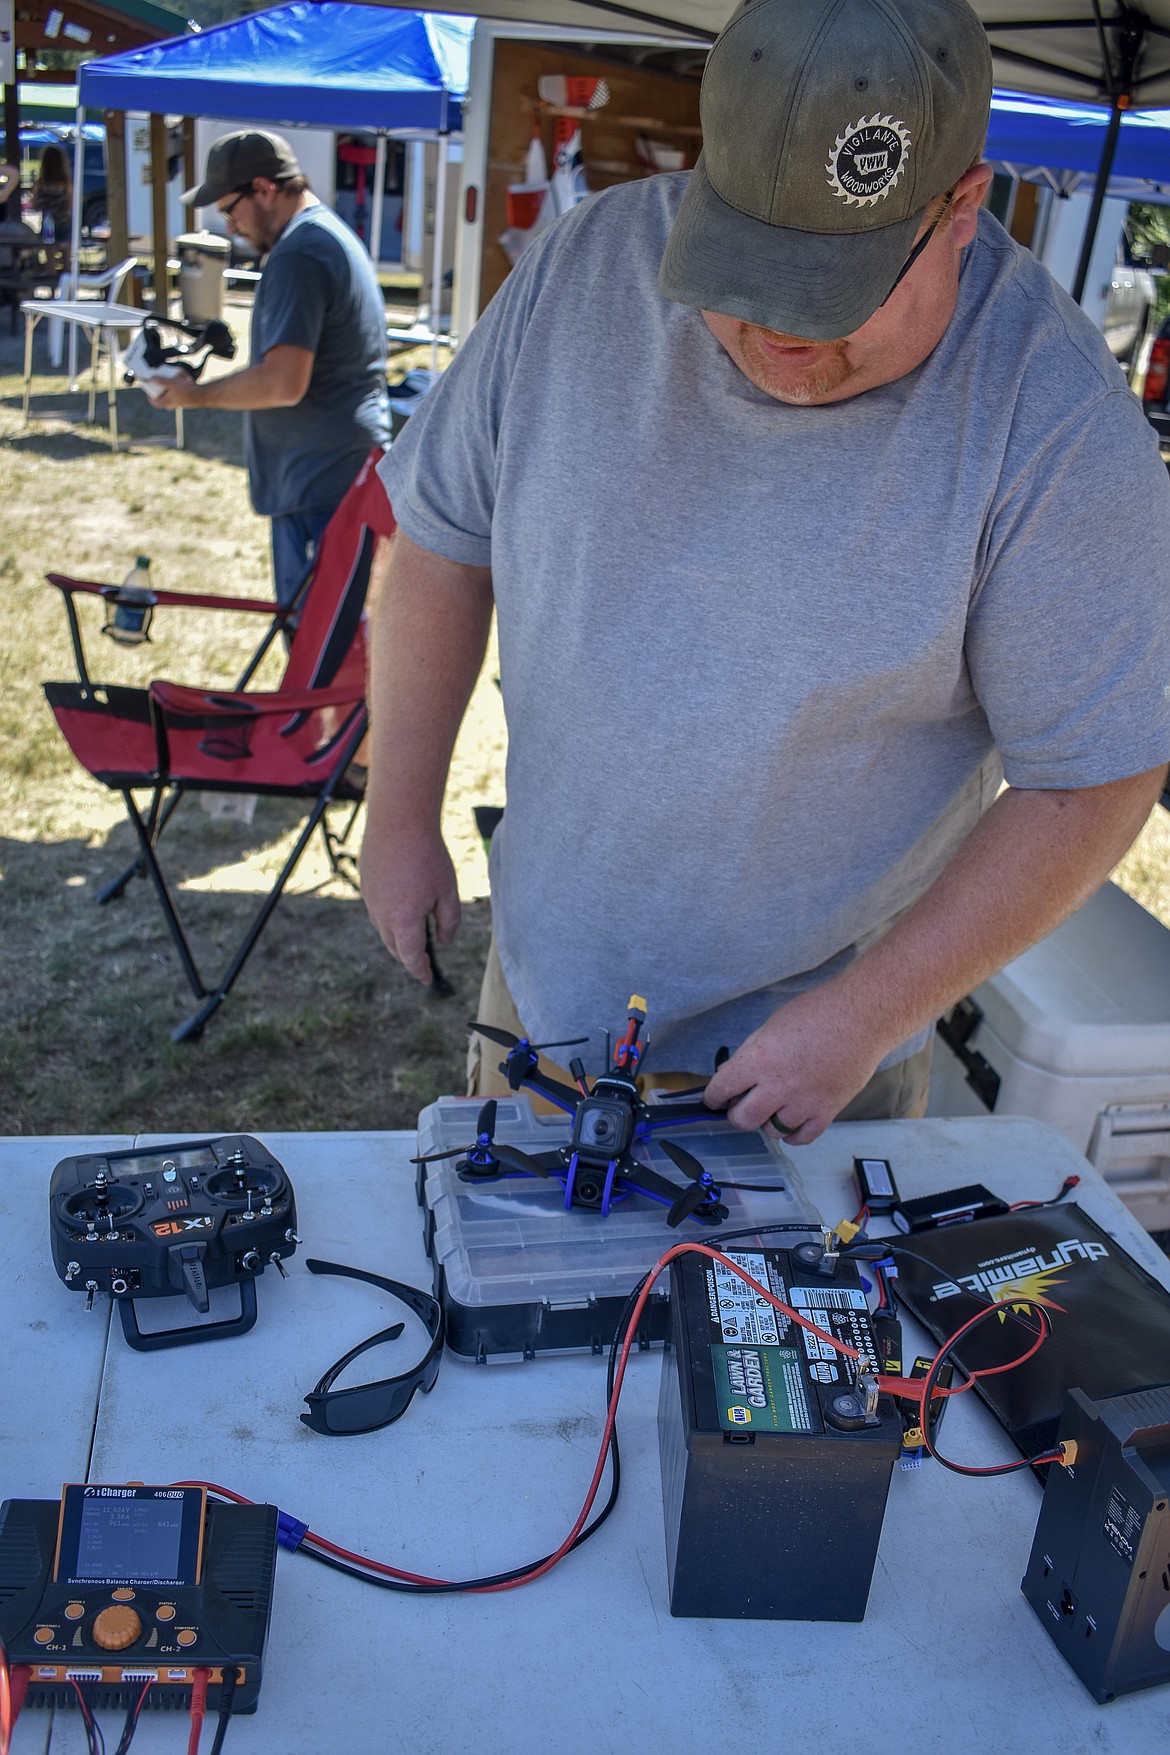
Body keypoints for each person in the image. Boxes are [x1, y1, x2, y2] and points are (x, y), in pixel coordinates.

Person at [359, 0, 1170, 1145]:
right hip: (541, 987)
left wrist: (862, 1018)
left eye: (834, 291)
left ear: (963, 208)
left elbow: (1089, 779)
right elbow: (442, 540)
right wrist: (399, 812)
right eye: (744, 269)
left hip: (816, 1059)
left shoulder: (1056, 425)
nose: (779, 334)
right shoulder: (586, 264)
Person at [154, 130, 391, 607]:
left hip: (318, 484)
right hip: (337, 473)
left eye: (229, 210)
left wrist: (192, 396)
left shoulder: (299, 254)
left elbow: (283, 383)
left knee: (319, 655)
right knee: (339, 653)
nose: (231, 227)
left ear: (263, 188)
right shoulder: (327, 234)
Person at [30, 143, 71, 243]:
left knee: (49, 253)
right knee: (67, 255)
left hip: (47, 221)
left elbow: (34, 204)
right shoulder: (65, 183)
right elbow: (71, 203)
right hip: (64, 221)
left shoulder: (40, 184)